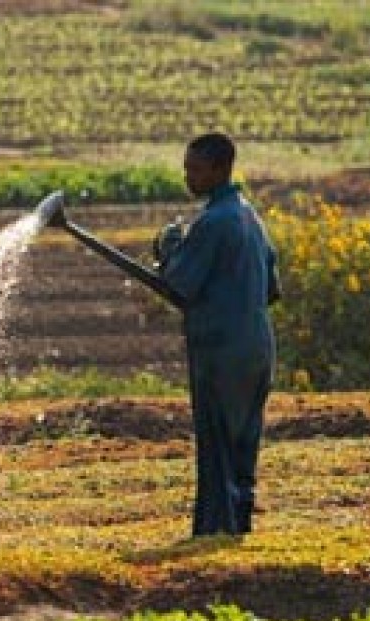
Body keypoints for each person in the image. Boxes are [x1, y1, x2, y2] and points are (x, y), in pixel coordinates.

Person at [156, 132, 280, 536]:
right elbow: (271, 289)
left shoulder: (213, 221)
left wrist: (170, 247)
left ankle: (214, 530)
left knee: (217, 445)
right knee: (243, 443)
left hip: (221, 350)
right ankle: (238, 525)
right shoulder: (250, 218)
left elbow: (179, 285)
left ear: (219, 169)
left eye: (195, 168)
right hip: (257, 347)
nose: (187, 176)